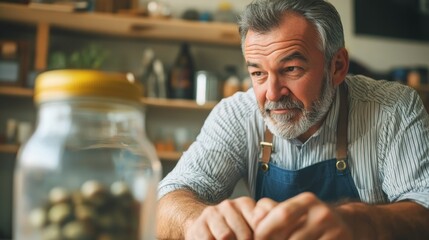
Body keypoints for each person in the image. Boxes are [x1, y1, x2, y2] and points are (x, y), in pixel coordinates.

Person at [157, 0, 429, 239]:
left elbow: (424, 207)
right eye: (258, 74)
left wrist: (359, 222)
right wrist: (195, 221)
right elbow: (166, 199)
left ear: (337, 67)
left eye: (291, 69)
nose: (272, 94)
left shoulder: (394, 109)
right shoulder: (236, 114)